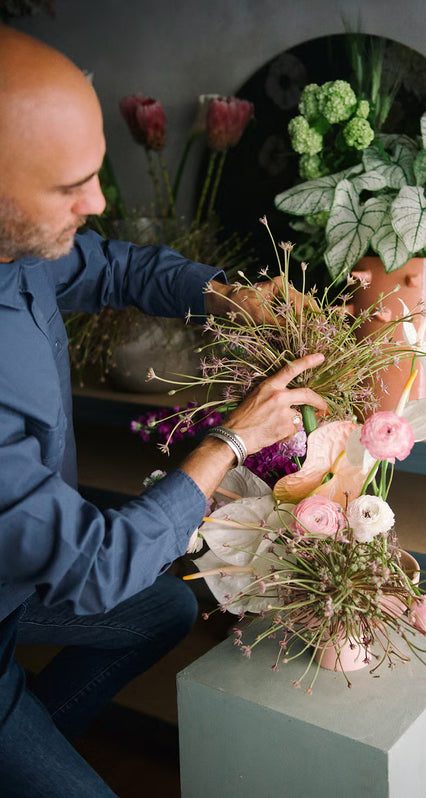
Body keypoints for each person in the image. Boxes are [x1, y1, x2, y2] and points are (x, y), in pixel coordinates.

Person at [0, 26, 327, 797]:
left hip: (17, 590)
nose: (99, 201)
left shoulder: (23, 252)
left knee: (160, 611)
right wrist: (231, 441)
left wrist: (226, 294)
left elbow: (112, 263)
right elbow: (92, 568)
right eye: (68, 188)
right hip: (50, 576)